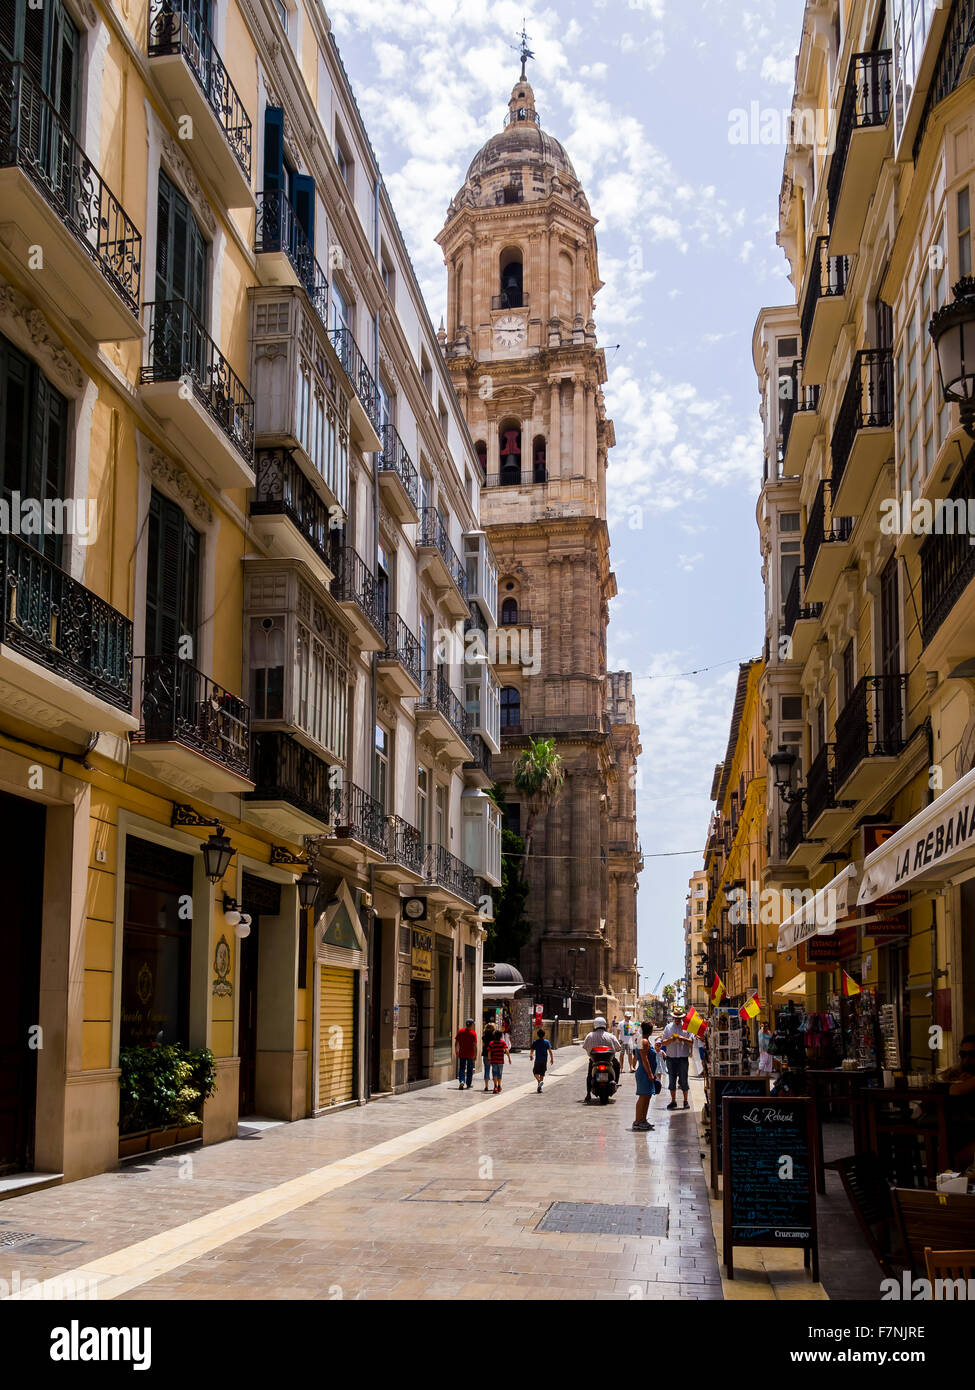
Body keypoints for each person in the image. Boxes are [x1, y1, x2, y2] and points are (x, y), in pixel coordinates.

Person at [938, 1033, 975, 1170]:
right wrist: (952, 1074)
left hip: (969, 1130)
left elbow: (955, 1091)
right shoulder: (964, 1072)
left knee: (953, 1155)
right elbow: (940, 1077)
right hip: (963, 1127)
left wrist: (954, 1080)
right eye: (963, 1054)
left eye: (972, 1055)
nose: (967, 1059)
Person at [657, 1006, 694, 1110]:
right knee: (672, 1080)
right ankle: (673, 1101)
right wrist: (671, 1039)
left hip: (683, 1058)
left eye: (679, 1018)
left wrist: (682, 1038)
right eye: (676, 1018)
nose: (677, 1020)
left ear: (682, 1018)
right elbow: (663, 1042)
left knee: (684, 1079)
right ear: (673, 1017)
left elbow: (691, 1042)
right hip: (671, 1058)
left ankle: (685, 1101)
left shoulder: (687, 1027)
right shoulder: (668, 1027)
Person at [582, 1015, 622, 1103]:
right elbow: (618, 1048)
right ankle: (615, 1082)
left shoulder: (589, 1036)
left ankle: (588, 1094)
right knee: (617, 1066)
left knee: (589, 1075)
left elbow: (585, 1047)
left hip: (594, 1061)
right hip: (609, 1061)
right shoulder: (610, 1036)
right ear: (605, 1025)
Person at [631, 1021, 657, 1132]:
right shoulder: (644, 1041)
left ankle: (643, 1120)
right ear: (650, 1031)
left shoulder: (643, 1040)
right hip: (644, 1073)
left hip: (646, 1073)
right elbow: (644, 1059)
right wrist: (650, 1074)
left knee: (647, 1096)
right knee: (643, 1097)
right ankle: (637, 1121)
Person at [454, 1018, 478, 1089]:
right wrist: (475, 1055)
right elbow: (475, 1045)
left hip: (462, 1053)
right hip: (470, 1054)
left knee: (462, 1068)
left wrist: (456, 1051)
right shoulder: (473, 1033)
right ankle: (468, 1084)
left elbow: (456, 1043)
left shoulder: (460, 1031)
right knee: (470, 1069)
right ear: (471, 1025)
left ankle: (462, 1081)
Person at [529, 1028, 554, 1092]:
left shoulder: (535, 1042)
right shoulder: (546, 1042)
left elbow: (532, 1050)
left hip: (538, 1060)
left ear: (537, 1035)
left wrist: (531, 1056)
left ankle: (539, 1082)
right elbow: (550, 1051)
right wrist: (552, 1059)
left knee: (535, 1072)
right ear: (544, 1035)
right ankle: (539, 1087)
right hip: (544, 1060)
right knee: (542, 1073)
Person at [488, 1028, 511, 1093]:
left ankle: (495, 1086)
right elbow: (506, 1050)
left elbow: (489, 1052)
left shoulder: (491, 1043)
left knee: (494, 1073)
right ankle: (499, 1085)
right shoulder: (503, 1043)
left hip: (494, 1061)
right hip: (500, 1061)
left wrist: (489, 1059)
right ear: (501, 1036)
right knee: (499, 1073)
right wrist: (509, 1058)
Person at [481, 1024, 495, 1092]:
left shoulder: (484, 1036)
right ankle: (495, 1086)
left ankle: (486, 1086)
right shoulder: (494, 1036)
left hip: (486, 1054)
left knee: (486, 1069)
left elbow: (483, 1045)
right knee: (494, 1070)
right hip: (493, 1054)